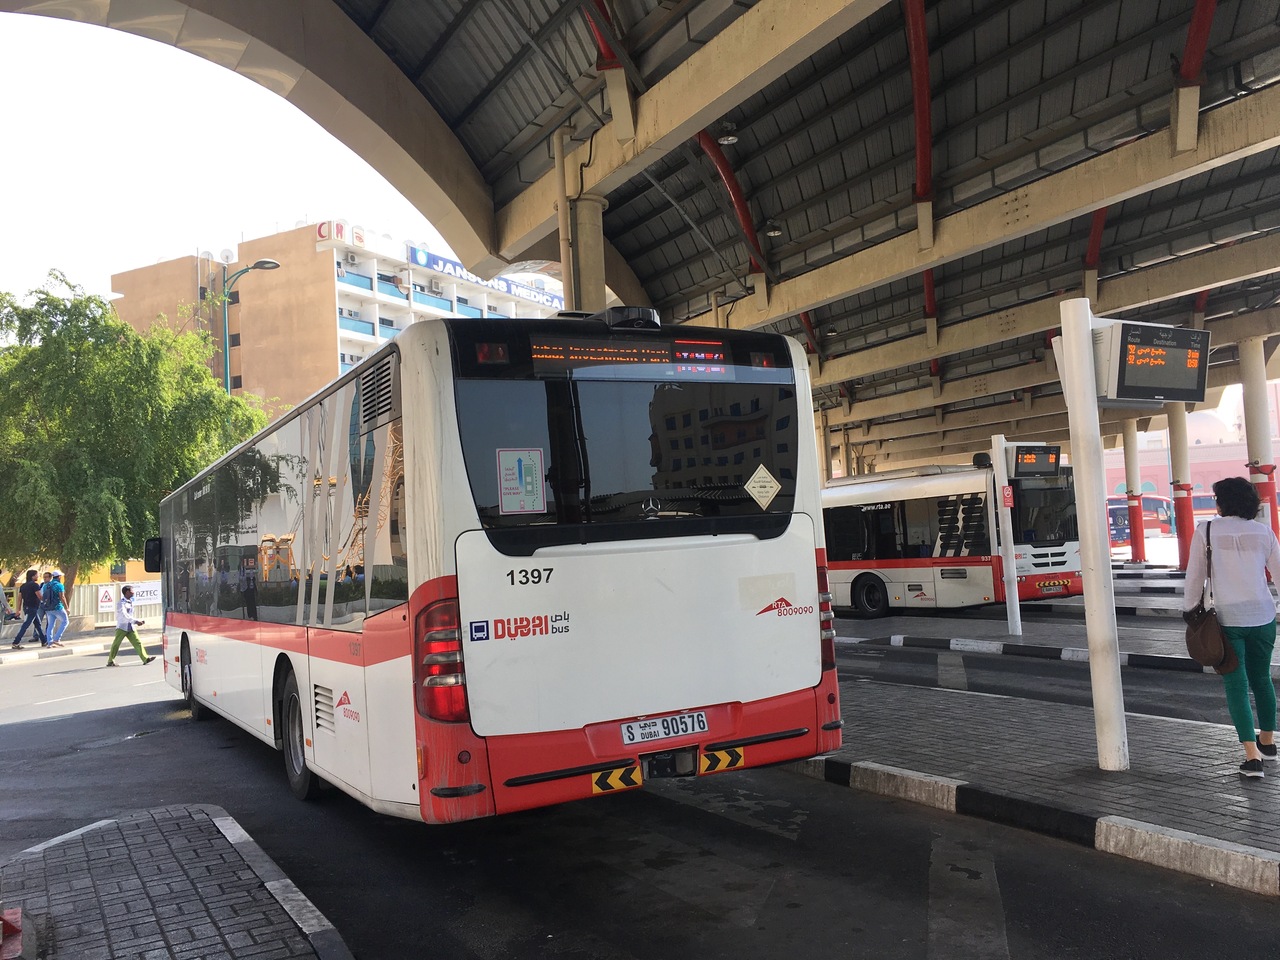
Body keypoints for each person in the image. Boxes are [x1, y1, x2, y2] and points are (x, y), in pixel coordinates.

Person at [1182, 477, 1280, 779]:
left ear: (1222, 502)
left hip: (1227, 620)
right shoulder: (1263, 532)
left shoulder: (1206, 530)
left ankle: (1252, 758)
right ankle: (1268, 743)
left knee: (1236, 685)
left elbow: (1195, 576)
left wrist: (1190, 610)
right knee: (1262, 679)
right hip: (1263, 617)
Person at [106, 585, 154, 667]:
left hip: (130, 627)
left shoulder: (130, 602)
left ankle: (145, 659)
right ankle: (110, 661)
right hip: (122, 627)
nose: (133, 592)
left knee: (137, 642)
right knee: (116, 644)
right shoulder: (121, 603)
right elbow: (124, 615)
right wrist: (136, 621)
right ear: (127, 592)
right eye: (132, 591)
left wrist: (136, 621)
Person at [11, 569, 47, 648]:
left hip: (27, 607)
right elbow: (39, 596)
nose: (38, 576)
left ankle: (44, 641)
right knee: (26, 625)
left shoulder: (23, 586)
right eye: (37, 575)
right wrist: (47, 601)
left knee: (38, 625)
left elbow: (19, 598)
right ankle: (16, 642)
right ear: (33, 576)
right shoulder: (35, 585)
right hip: (32, 608)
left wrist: (18, 609)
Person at [41, 571, 68, 648]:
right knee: (65, 621)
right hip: (57, 607)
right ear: (59, 577)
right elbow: (62, 597)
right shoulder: (59, 585)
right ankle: (56, 639)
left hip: (48, 608)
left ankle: (49, 642)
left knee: (50, 625)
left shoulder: (46, 585)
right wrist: (67, 607)